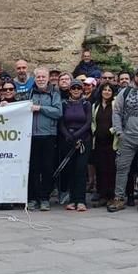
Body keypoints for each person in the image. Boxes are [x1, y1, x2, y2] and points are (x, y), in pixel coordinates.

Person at [108, 67, 138, 212]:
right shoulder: (125, 92)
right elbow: (116, 112)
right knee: (122, 169)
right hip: (128, 137)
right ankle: (119, 198)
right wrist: (119, 132)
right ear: (134, 77)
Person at [26, 68, 62, 211]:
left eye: (43, 77)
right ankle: (33, 198)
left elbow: (58, 112)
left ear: (48, 79)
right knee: (33, 168)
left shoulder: (54, 93)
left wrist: (40, 108)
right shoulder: (29, 93)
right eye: (38, 77)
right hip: (32, 136)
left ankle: (45, 198)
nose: (40, 79)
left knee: (47, 168)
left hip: (48, 135)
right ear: (35, 79)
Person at [59, 81, 92, 211]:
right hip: (68, 139)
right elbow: (61, 122)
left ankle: (81, 200)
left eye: (79, 88)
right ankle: (73, 199)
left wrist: (78, 135)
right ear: (70, 90)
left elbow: (88, 122)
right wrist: (69, 136)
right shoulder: (64, 104)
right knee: (71, 170)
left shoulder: (86, 104)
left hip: (83, 140)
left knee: (81, 169)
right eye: (74, 88)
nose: (76, 90)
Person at [92, 82, 118, 208]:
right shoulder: (95, 105)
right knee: (100, 169)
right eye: (104, 89)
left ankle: (111, 196)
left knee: (111, 169)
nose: (107, 92)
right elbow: (93, 121)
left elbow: (119, 120)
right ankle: (102, 195)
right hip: (99, 142)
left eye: (109, 90)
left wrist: (112, 131)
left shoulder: (115, 104)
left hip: (111, 142)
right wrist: (94, 131)